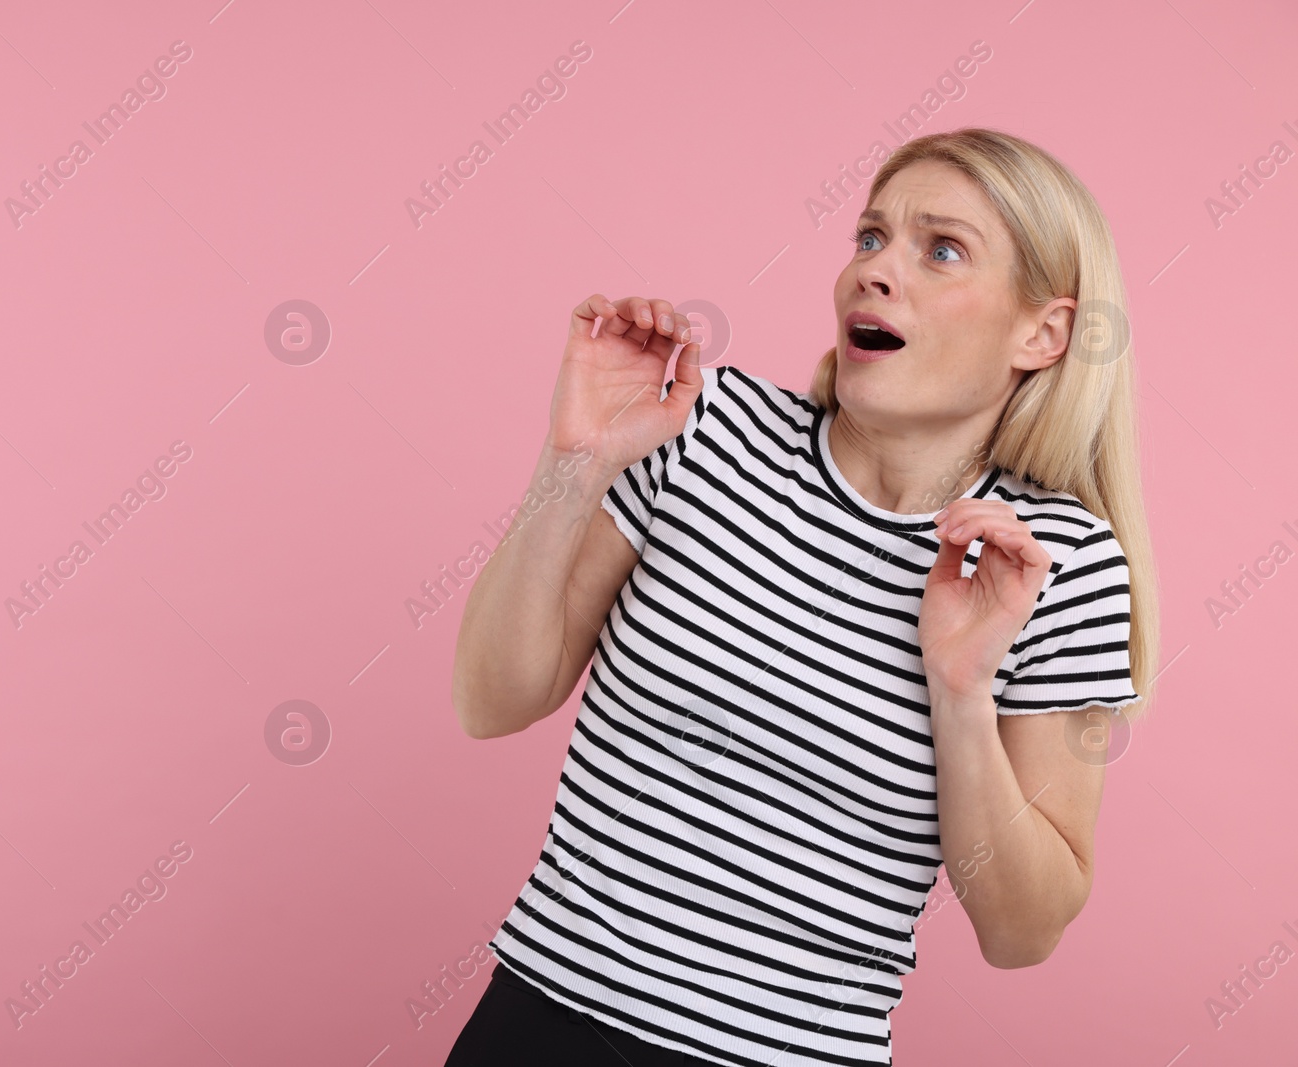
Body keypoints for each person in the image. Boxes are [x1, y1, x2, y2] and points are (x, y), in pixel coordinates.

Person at [445, 127, 1162, 1067]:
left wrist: (959, 684)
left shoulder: (1055, 562)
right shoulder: (703, 431)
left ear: (1044, 332)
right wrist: (572, 467)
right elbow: (491, 700)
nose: (875, 270)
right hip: (542, 1025)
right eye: (870, 238)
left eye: (940, 249)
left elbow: (1021, 931)